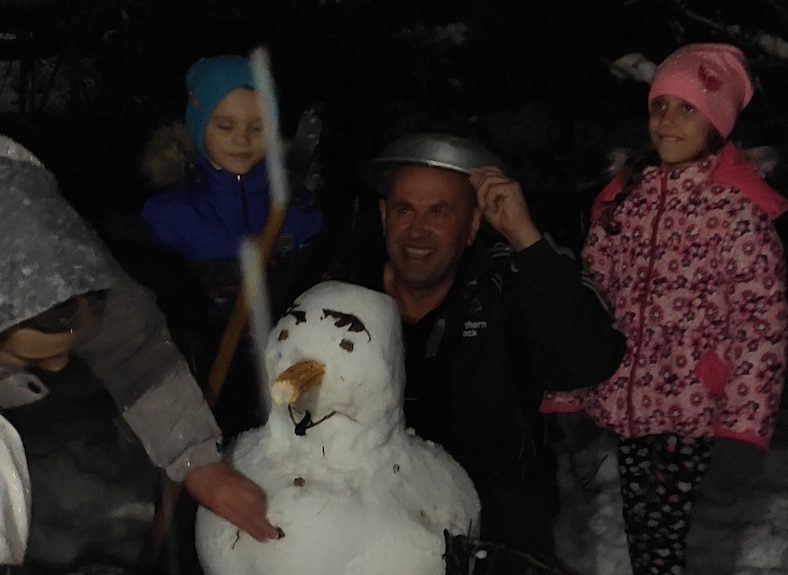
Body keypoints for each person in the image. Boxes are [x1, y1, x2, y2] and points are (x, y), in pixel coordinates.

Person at [541, 43, 788, 574]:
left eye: (687, 108)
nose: (668, 122)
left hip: (694, 406)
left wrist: (743, 430)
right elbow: (587, 303)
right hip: (632, 408)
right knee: (644, 531)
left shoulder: (736, 213)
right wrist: (568, 394)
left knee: (660, 539)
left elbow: (760, 328)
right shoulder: (624, 199)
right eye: (660, 106)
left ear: (716, 124)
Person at [0, 134, 282, 562]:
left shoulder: (74, 282)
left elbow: (138, 356)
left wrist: (196, 460)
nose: (57, 367)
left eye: (69, 345)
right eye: (31, 358)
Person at [346, 132, 626, 560]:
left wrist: (526, 238)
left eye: (439, 212)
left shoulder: (508, 285)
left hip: (497, 535)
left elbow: (589, 360)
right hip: (376, 531)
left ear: (473, 223)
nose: (417, 230)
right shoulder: (342, 296)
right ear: (384, 215)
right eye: (405, 210)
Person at [138, 55, 325, 435]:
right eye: (225, 126)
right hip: (199, 386)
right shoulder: (170, 215)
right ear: (198, 125)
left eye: (257, 127)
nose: (242, 139)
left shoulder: (296, 210)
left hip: (280, 384)